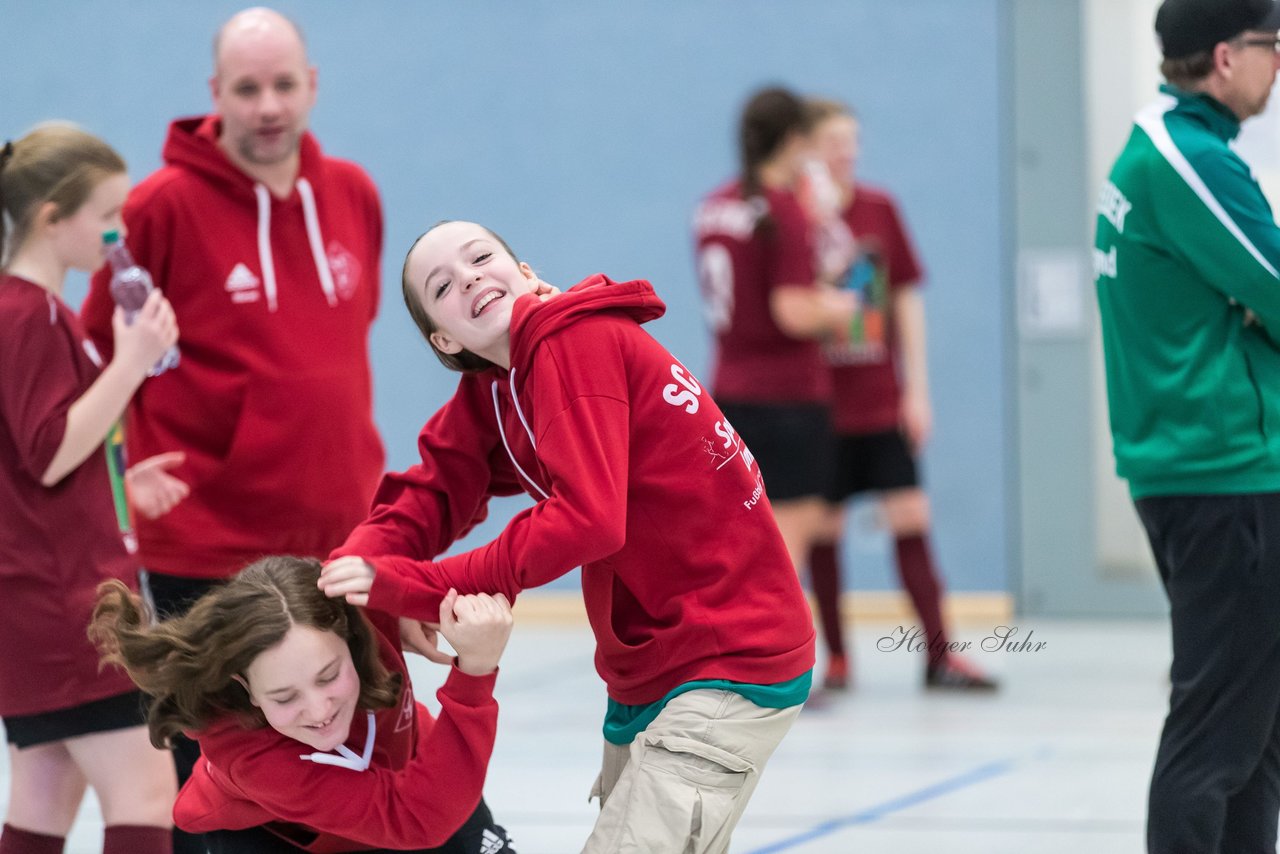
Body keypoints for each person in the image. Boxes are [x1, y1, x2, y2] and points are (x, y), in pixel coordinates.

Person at [319, 220, 815, 854]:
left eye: (481, 257)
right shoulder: (500, 387)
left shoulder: (573, 343)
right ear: (445, 338)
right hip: (652, 665)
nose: (469, 275)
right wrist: (358, 570)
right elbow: (432, 490)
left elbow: (588, 518)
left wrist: (418, 586)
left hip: (728, 657)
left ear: (525, 273)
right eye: (442, 285)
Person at [78, 9, 386, 846]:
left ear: (312, 85)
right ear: (215, 95)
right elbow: (93, 354)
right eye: (246, 88)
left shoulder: (353, 192)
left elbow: (342, 343)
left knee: (348, 763)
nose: (268, 105)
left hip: (337, 541)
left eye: (284, 84)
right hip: (205, 549)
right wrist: (117, 487)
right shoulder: (157, 209)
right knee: (211, 794)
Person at [1094, 0, 1280, 849]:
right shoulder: (1188, 157)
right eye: (1272, 47)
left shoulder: (1174, 149)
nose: (1279, 65)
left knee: (1254, 735)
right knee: (1214, 733)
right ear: (1225, 55)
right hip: (1219, 472)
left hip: (1221, 468)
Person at [0, 123, 181, 854]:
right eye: (106, 216)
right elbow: (48, 453)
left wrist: (118, 488)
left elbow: (32, 465)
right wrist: (133, 359)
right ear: (52, 218)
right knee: (145, 793)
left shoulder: (34, 313)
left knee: (45, 794)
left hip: (37, 599)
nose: (118, 235)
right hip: (66, 604)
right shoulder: (31, 315)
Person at [90, 555, 516, 853]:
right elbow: (416, 816)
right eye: (284, 696)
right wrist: (474, 675)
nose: (318, 711)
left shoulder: (369, 608)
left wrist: (407, 599)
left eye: (329, 676)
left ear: (351, 635)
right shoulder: (249, 756)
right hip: (277, 836)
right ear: (247, 688)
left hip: (412, 782)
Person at [801, 98, 997, 692]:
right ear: (809, 148)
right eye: (836, 141)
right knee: (823, 529)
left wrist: (917, 389)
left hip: (879, 398)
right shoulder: (795, 219)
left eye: (854, 140)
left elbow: (906, 298)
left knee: (910, 513)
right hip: (820, 405)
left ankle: (939, 654)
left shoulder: (880, 208)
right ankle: (836, 657)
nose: (848, 152)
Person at [691, 87, 858, 644]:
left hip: (729, 393)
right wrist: (837, 306)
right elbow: (789, 311)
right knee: (789, 535)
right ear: (793, 140)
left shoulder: (715, 204)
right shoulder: (781, 209)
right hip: (788, 396)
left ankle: (734, 642)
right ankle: (766, 652)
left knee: (741, 532)